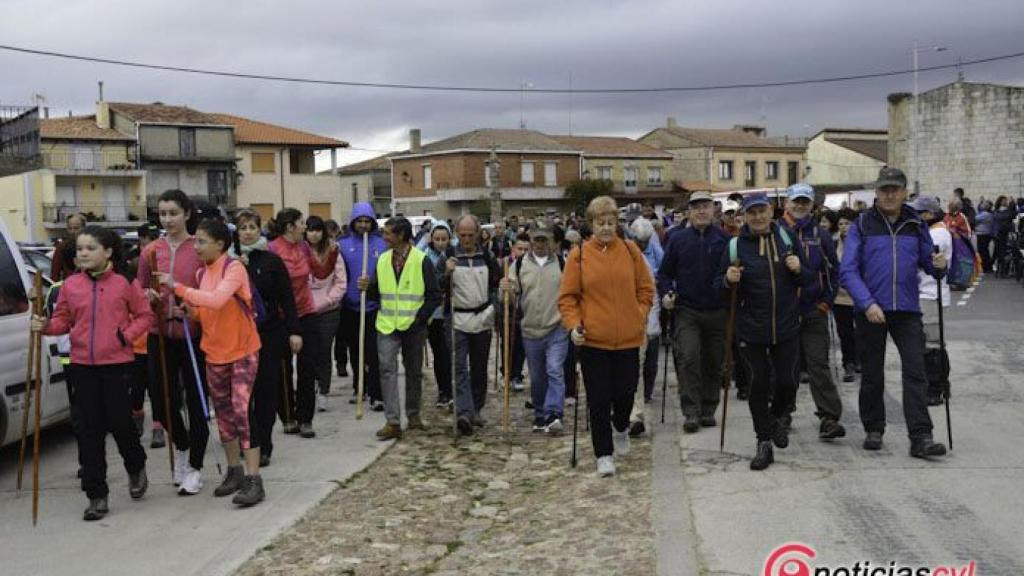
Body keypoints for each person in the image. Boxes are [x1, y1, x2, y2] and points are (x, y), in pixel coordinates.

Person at [32, 225, 152, 520]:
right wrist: (45, 326)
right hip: (82, 365)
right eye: (80, 249)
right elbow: (62, 321)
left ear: (108, 252)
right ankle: (96, 494)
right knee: (88, 429)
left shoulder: (124, 282)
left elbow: (146, 315)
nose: (82, 253)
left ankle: (136, 466)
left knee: (120, 423)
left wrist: (126, 336)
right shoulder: (70, 285)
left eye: (90, 248)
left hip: (117, 365)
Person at [839, 167, 948, 459]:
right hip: (871, 309)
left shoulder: (916, 224)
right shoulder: (862, 224)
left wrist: (939, 266)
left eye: (895, 189)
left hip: (907, 309)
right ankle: (874, 427)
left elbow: (929, 264)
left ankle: (921, 437)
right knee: (873, 374)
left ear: (904, 192)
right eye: (884, 189)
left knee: (916, 371)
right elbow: (847, 271)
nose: (889, 194)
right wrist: (867, 303)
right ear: (876, 192)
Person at [160, 219, 264, 507]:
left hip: (243, 350)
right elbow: (208, 312)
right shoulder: (201, 272)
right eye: (196, 242)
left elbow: (217, 300)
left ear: (220, 244)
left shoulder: (235, 268)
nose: (197, 247)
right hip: (214, 352)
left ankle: (255, 478)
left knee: (242, 410)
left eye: (202, 241)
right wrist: (190, 313)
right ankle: (234, 471)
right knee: (223, 413)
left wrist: (178, 288)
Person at [714, 193, 813, 470]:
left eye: (762, 211)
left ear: (771, 211)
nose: (757, 217)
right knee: (758, 384)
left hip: (786, 325)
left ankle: (779, 417)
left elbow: (809, 278)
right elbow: (718, 290)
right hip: (751, 328)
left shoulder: (787, 239)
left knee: (788, 381)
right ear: (743, 215)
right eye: (751, 212)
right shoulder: (735, 247)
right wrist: (727, 280)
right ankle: (764, 442)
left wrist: (798, 269)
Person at [558, 196, 654, 477]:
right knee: (598, 399)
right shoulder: (580, 255)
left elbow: (646, 289)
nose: (606, 228)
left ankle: (621, 427)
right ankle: (604, 454)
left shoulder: (630, 250)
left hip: (628, 338)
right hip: (594, 341)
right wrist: (574, 325)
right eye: (601, 223)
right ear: (591, 225)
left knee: (624, 394)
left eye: (611, 223)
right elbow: (568, 298)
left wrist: (640, 313)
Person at [138, 189, 209, 495]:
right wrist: (147, 296)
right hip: (159, 335)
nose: (167, 219)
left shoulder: (199, 248)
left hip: (195, 336)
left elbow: (210, 290)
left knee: (197, 403)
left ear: (187, 214)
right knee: (161, 402)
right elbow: (138, 289)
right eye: (162, 213)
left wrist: (191, 308)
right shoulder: (150, 251)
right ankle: (181, 445)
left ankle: (194, 467)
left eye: (173, 213)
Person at [357, 217, 441, 440]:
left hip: (413, 326)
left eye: (387, 233)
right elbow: (378, 292)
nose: (384, 237)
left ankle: (413, 415)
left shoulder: (422, 260)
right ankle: (392, 421)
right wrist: (367, 287)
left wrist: (420, 318)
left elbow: (434, 295)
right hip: (386, 324)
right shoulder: (383, 260)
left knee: (413, 371)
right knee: (386, 370)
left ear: (401, 235)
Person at [231, 210, 301, 467]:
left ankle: (264, 445)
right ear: (236, 232)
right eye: (243, 227)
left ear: (260, 229)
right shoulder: (228, 263)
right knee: (242, 396)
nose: (248, 231)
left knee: (266, 392)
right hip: (237, 337)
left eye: (252, 226)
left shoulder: (272, 261)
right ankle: (248, 442)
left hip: (269, 334)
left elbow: (287, 299)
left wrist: (294, 331)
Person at [657, 191, 729, 433]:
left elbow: (734, 270)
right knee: (688, 357)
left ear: (713, 210)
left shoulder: (724, 239)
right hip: (687, 309)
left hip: (717, 309)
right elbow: (665, 273)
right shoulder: (677, 239)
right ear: (689, 211)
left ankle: (708, 408)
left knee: (713, 361)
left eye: (705, 206)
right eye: (696, 207)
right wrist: (667, 292)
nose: (701, 211)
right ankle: (691, 411)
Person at [779, 184, 845, 440]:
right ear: (787, 202)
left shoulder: (820, 233)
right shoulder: (775, 231)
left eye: (805, 202)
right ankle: (782, 414)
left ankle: (829, 417)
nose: (800, 206)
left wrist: (826, 302)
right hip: (784, 313)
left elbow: (834, 271)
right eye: (796, 201)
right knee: (786, 367)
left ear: (812, 205)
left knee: (818, 365)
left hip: (813, 311)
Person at [501, 219, 567, 434]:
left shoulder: (561, 263)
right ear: (530, 240)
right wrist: (506, 289)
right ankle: (540, 413)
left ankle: (554, 413)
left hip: (556, 327)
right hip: (529, 329)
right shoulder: (519, 264)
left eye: (544, 239)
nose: (540, 244)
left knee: (555, 370)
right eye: (536, 239)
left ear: (551, 241)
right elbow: (512, 296)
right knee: (538, 377)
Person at [449, 215, 501, 436]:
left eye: (471, 235)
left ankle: (476, 408)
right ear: (457, 234)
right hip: (458, 320)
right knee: (460, 368)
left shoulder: (487, 256)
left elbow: (496, 283)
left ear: (478, 233)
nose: (467, 239)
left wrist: (496, 306)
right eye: (463, 235)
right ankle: (465, 412)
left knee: (479, 367)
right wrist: (445, 271)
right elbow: (438, 287)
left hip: (482, 318)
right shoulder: (450, 255)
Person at [267, 209, 317, 438]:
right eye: (301, 223)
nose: (304, 227)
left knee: (308, 367)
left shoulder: (304, 247)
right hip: (281, 315)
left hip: (306, 311)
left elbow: (317, 271)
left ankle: (306, 417)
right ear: (289, 227)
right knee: (283, 369)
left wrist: (332, 256)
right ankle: (287, 416)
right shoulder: (272, 250)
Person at [338, 203, 387, 411]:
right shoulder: (342, 245)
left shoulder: (382, 244)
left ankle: (377, 393)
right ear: (353, 222)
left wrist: (373, 284)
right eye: (360, 221)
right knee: (355, 350)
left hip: (374, 306)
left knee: (374, 351)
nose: (364, 225)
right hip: (350, 306)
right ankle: (360, 387)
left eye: (367, 221)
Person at [910, 197, 953, 407]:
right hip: (925, 293)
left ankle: (936, 387)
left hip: (930, 294)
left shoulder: (936, 234)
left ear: (929, 214)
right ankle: (936, 384)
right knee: (927, 343)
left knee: (932, 345)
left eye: (918, 213)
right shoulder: (934, 231)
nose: (915, 217)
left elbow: (921, 259)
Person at [304, 216, 347, 413]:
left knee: (323, 350)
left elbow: (340, 282)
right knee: (307, 352)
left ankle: (324, 390)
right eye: (310, 230)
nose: (313, 234)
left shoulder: (333, 251)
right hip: (304, 309)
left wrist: (327, 300)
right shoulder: (299, 251)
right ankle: (309, 385)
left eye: (317, 230)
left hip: (328, 310)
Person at [627, 217, 662, 438]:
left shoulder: (650, 257)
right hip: (621, 322)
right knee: (632, 371)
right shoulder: (622, 255)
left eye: (644, 241)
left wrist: (650, 323)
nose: (641, 244)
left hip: (641, 322)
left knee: (637, 369)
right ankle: (631, 412)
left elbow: (651, 295)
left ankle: (635, 415)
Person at [423, 221, 455, 408]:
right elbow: (434, 285)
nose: (441, 242)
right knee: (440, 352)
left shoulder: (454, 254)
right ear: (431, 239)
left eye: (444, 239)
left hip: (453, 309)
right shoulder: (427, 257)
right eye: (437, 239)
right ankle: (444, 390)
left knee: (451, 352)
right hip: (435, 313)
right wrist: (445, 273)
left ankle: (453, 388)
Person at [832, 208, 860, 383]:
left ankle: (859, 360)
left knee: (861, 332)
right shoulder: (834, 243)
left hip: (858, 295)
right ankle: (848, 363)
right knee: (844, 333)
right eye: (841, 224)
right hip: (839, 296)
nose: (843, 227)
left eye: (847, 223)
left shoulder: (861, 242)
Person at [500, 233, 530, 392]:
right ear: (513, 249)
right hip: (510, 312)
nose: (523, 252)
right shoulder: (507, 263)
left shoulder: (530, 265)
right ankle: (506, 373)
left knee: (521, 346)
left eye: (526, 249)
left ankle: (517, 375)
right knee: (507, 343)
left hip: (525, 312)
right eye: (520, 248)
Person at [50, 212, 87, 282]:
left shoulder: (92, 246)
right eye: (70, 228)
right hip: (69, 287)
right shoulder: (61, 247)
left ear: (84, 228)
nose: (73, 231)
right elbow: (55, 273)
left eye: (76, 228)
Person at [974, 200, 994, 273]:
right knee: (984, 250)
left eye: (983, 204)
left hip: (983, 234)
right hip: (984, 233)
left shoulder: (985, 214)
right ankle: (986, 266)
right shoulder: (985, 214)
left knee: (983, 251)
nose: (981, 205)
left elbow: (975, 219)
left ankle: (986, 267)